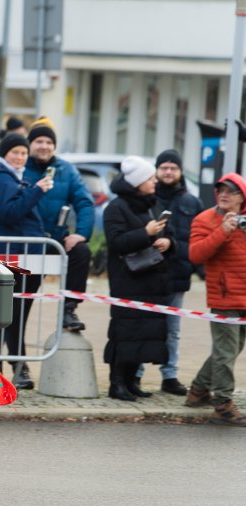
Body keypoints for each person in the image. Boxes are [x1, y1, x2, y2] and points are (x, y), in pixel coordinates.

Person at [0, 133, 54, 389]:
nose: (21, 157)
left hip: (26, 254)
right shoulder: (1, 178)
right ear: (5, 154)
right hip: (9, 255)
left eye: (24, 153)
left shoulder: (16, 177)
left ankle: (15, 368)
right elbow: (10, 213)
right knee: (4, 316)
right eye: (15, 152)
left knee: (17, 315)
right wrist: (36, 191)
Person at [103, 157, 173, 401]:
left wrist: (167, 241)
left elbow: (165, 234)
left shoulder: (150, 205)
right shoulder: (116, 207)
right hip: (127, 279)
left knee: (143, 333)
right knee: (126, 332)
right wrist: (146, 233)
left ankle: (132, 381)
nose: (155, 182)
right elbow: (116, 242)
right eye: (150, 178)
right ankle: (117, 383)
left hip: (150, 279)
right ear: (137, 182)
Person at [134, 149, 202, 396]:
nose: (169, 172)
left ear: (181, 172)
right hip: (148, 274)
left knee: (172, 330)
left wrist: (178, 250)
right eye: (164, 168)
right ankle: (137, 375)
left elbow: (198, 241)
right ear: (157, 171)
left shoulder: (192, 202)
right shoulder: (146, 198)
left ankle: (169, 375)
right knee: (144, 326)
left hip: (177, 275)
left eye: (173, 168)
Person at [185, 174, 246, 426]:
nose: (224, 194)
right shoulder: (205, 219)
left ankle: (198, 390)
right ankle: (222, 403)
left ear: (242, 197)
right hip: (223, 296)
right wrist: (223, 231)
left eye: (231, 191)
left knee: (230, 349)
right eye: (221, 190)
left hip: (244, 295)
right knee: (226, 351)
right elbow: (196, 254)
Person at [23, 117, 94, 332]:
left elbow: (84, 202)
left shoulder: (67, 170)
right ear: (30, 144)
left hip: (56, 240)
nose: (44, 146)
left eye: (49, 142)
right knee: (22, 302)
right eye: (39, 141)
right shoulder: (20, 166)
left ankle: (69, 309)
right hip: (27, 243)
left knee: (81, 252)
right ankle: (18, 355)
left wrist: (81, 234)